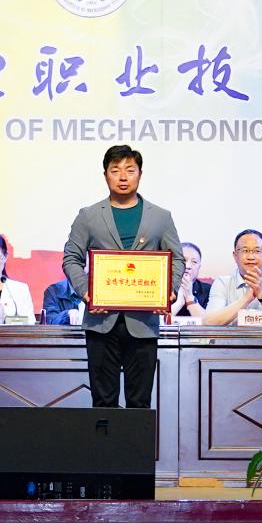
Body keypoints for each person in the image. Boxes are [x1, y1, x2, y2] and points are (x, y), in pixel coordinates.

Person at [63, 144, 184, 409]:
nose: (122, 177)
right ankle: (104, 439)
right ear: (105, 175)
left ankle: (136, 441)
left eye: (130, 170)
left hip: (143, 322)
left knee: (139, 402)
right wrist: (86, 292)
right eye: (115, 170)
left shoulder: (161, 217)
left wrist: (170, 290)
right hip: (100, 321)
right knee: (103, 401)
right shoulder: (88, 216)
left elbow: (177, 258)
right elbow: (71, 258)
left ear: (140, 174)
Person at [204, 230, 262, 326]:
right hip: (234, 337)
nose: (251, 257)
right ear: (235, 256)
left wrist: (261, 294)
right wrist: (245, 299)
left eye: (257, 251)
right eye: (245, 251)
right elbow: (209, 322)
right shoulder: (222, 283)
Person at [170, 242, 211, 319]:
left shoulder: (209, 291)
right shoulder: (160, 289)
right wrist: (179, 303)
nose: (188, 266)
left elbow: (210, 322)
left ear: (199, 267)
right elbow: (154, 322)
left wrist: (189, 296)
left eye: (194, 262)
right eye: (183, 260)